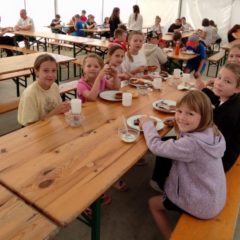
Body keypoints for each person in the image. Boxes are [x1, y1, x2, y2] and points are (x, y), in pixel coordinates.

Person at [139, 90, 226, 239]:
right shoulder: (212, 130)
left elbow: (155, 146)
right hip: (214, 196)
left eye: (190, 114)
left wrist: (147, 124)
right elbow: (188, 128)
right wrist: (176, 123)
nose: (182, 117)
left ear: (203, 116)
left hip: (201, 205)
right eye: (179, 111)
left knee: (153, 204)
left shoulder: (191, 145)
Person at [195, 63, 240, 172]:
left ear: (237, 89)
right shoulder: (230, 99)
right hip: (218, 152)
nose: (219, 83)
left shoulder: (228, 114)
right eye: (219, 77)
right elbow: (215, 98)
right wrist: (204, 89)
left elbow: (211, 143)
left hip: (217, 162)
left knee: (168, 143)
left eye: (227, 81)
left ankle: (162, 182)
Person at [18, 54, 70, 126]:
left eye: (53, 70)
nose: (51, 74)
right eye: (46, 71)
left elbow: (58, 107)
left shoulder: (54, 86)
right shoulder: (30, 94)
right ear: (37, 72)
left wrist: (64, 107)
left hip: (51, 125)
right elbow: (31, 126)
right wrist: (55, 112)